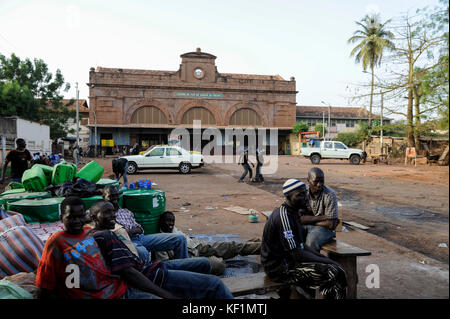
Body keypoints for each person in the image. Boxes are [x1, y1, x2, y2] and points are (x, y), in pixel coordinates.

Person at [35, 196, 175, 299]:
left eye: (80, 216)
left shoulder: (88, 233)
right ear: (61, 218)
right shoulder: (56, 242)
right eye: (71, 217)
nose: (77, 221)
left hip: (117, 289)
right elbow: (45, 284)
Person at [89, 200, 234, 299]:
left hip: (149, 266)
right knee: (215, 283)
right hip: (152, 275)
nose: (112, 215)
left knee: (203, 262)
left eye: (112, 211)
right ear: (93, 217)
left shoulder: (101, 233)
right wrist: (165, 294)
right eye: (106, 212)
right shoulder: (105, 236)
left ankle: (192, 286)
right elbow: (131, 274)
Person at [261, 179, 347, 299]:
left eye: (305, 193)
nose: (305, 197)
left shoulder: (294, 213)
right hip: (280, 269)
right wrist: (328, 261)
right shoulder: (283, 216)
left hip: (290, 262)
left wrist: (322, 258)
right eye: (300, 195)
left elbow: (301, 245)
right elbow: (297, 254)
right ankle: (303, 291)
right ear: (288, 197)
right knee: (334, 273)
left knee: (336, 270)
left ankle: (308, 293)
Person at [154, 211, 262, 275]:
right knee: (219, 265)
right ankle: (256, 245)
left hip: (199, 246)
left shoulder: (174, 230)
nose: (171, 224)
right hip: (191, 258)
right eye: (168, 221)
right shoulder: (160, 241)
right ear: (161, 222)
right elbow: (166, 264)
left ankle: (263, 246)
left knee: (231, 246)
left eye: (172, 221)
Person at [102, 186, 189, 264]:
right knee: (143, 253)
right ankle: (148, 276)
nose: (115, 198)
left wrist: (130, 231)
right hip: (128, 243)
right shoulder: (105, 216)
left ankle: (185, 267)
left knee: (180, 239)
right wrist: (129, 231)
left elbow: (140, 228)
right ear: (104, 198)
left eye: (116, 195)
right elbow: (119, 235)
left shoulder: (126, 211)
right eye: (111, 196)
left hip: (141, 238)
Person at [301, 167, 339, 253]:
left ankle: (311, 265)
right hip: (315, 225)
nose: (319, 184)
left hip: (325, 229)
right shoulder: (303, 192)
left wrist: (308, 220)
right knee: (290, 235)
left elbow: (331, 224)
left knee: (311, 242)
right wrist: (323, 217)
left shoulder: (329, 195)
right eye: (316, 181)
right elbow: (299, 218)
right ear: (308, 180)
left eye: (322, 181)